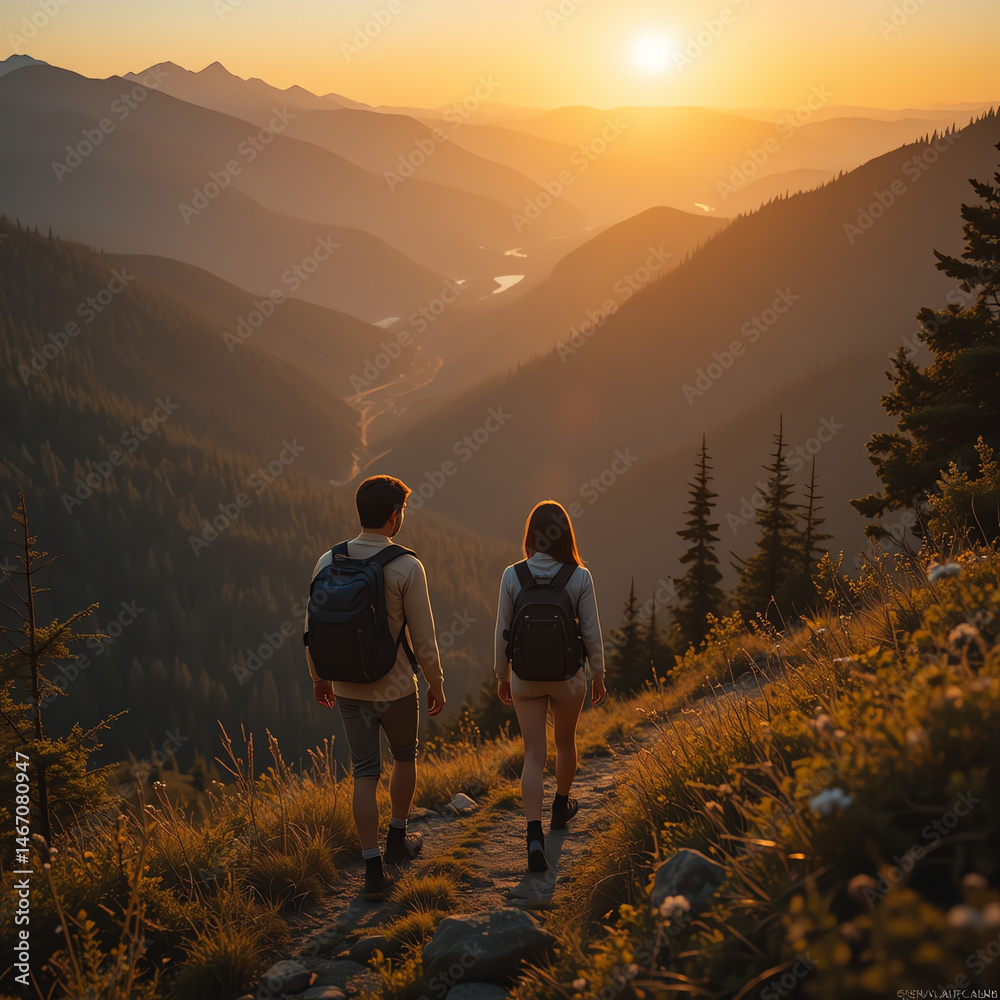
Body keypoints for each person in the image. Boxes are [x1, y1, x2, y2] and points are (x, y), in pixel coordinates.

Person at [305, 475, 446, 901]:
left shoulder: (327, 560)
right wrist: (436, 681)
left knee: (364, 773)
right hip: (397, 686)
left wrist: (319, 677)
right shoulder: (406, 565)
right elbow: (423, 637)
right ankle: (398, 841)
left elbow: (311, 628)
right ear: (393, 516)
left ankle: (371, 871)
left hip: (348, 687)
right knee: (405, 757)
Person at [494, 499, 606, 872]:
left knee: (533, 755)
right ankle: (560, 807)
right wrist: (599, 673)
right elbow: (590, 631)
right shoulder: (579, 576)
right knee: (565, 742)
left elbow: (502, 632)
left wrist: (501, 674)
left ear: (531, 535)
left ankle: (533, 836)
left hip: (524, 677)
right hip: (568, 677)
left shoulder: (513, 575)